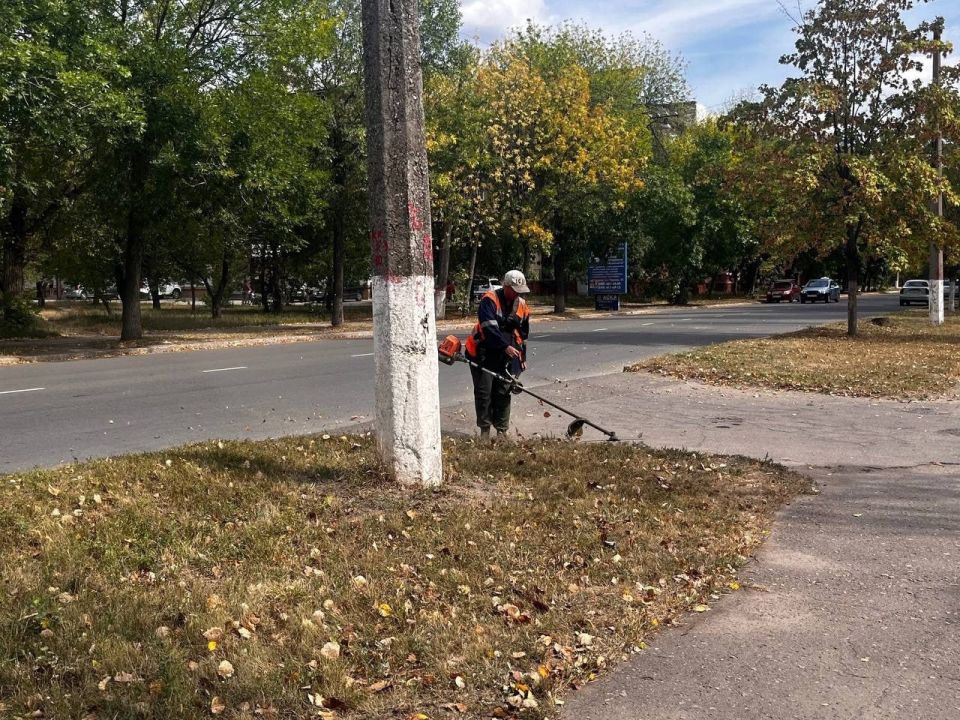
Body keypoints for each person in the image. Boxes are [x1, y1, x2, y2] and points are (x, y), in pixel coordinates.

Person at [464, 269, 531, 440]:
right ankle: (485, 431)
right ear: (506, 286)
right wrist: (504, 346)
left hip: (505, 355)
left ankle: (502, 431)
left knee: (503, 391)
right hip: (483, 353)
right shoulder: (490, 300)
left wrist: (521, 358)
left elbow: (522, 335)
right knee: (484, 392)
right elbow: (489, 328)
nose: (517, 294)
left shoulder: (522, 305)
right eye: (515, 290)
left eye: (520, 291)